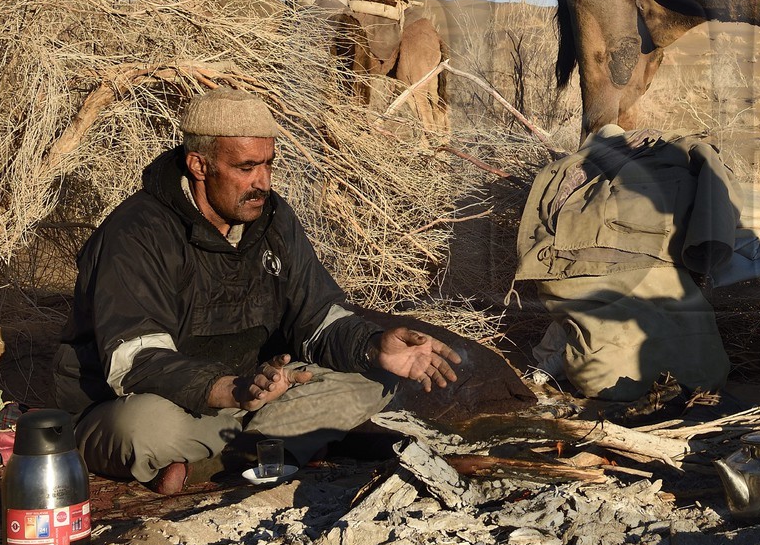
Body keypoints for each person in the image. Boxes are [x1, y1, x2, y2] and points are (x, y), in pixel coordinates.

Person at [55, 88, 463, 494]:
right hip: (164, 403)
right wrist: (229, 388)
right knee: (143, 428)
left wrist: (372, 345)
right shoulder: (136, 233)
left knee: (375, 377)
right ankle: (270, 449)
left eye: (268, 164)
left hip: (260, 394)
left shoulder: (274, 220)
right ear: (200, 165)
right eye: (247, 167)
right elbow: (135, 360)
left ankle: (220, 459)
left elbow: (316, 316)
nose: (263, 182)